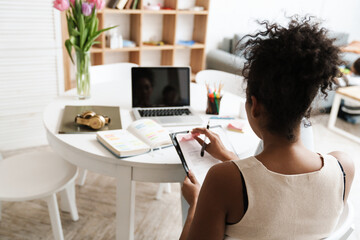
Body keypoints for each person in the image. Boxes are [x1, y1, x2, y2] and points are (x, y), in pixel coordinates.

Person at [180, 16, 355, 240]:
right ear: (306, 105)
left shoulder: (221, 180)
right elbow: (277, 192)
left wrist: (195, 204)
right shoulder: (343, 167)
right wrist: (227, 156)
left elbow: (265, 189)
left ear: (255, 107)